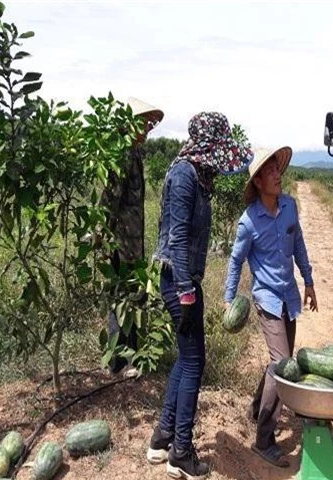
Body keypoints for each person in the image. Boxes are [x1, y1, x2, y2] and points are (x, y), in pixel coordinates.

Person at [147, 112, 253, 480]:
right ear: (207, 146)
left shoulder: (196, 175)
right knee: (195, 361)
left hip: (184, 281)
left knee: (186, 356)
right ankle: (181, 452)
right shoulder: (183, 176)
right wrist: (188, 296)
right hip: (178, 282)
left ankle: (162, 437)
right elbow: (176, 237)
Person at [223, 146, 317, 468]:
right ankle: (264, 439)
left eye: (278, 169)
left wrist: (309, 281)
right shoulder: (248, 221)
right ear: (259, 182)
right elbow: (235, 261)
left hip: (289, 296)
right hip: (266, 298)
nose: (278, 175)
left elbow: (300, 245)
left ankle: (255, 409)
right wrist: (228, 299)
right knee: (283, 364)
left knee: (279, 362)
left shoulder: (289, 207)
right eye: (270, 171)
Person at [102, 97, 163, 378]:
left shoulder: (135, 154)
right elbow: (109, 205)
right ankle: (118, 361)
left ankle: (134, 358)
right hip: (119, 246)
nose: (148, 128)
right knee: (119, 302)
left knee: (134, 300)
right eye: (144, 122)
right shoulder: (121, 156)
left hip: (133, 245)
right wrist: (104, 243)